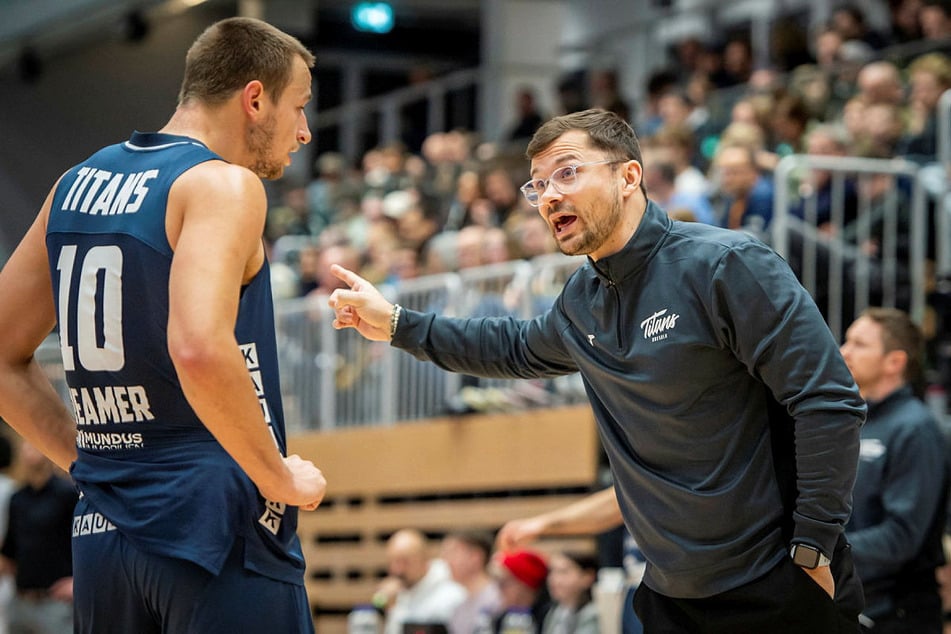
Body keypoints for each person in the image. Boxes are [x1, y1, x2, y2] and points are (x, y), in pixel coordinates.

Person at [328, 108, 867, 632]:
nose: (549, 195)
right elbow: (512, 346)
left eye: (567, 172)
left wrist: (814, 544)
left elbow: (828, 399)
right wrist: (397, 323)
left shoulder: (725, 264)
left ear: (629, 176)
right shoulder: (581, 299)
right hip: (671, 598)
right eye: (537, 186)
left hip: (774, 584)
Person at [0, 17, 327, 634]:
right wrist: (277, 477)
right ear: (254, 99)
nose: (304, 131)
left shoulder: (74, 186)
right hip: (214, 519)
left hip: (103, 530)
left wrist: (92, 466)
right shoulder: (222, 185)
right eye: (299, 107)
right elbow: (199, 349)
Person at [839, 308, 949, 633]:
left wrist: (821, 549)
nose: (844, 351)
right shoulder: (853, 421)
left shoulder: (916, 428)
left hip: (898, 613)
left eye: (859, 344)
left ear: (894, 362)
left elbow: (902, 537)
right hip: (853, 600)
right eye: (847, 341)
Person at [0, 441, 77, 634]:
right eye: (24, 446)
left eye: (33, 445)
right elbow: (10, 550)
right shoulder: (17, 498)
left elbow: (84, 544)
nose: (28, 450)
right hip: (21, 600)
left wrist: (77, 581)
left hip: (55, 603)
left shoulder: (67, 494)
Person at [374, 528, 466, 634]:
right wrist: (388, 607)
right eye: (392, 562)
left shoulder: (452, 593)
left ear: (424, 559)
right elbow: (377, 601)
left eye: (404, 562)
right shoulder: (401, 592)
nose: (397, 570)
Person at [441, 530, 502, 634]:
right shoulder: (459, 608)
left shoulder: (500, 599)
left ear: (475, 557)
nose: (446, 560)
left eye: (453, 553)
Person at [491, 549, 550, 633]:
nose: (499, 590)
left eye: (503, 584)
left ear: (524, 584)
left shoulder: (548, 618)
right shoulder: (501, 618)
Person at [541, 551, 600, 634]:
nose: (554, 579)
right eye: (551, 572)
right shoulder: (556, 611)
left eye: (563, 572)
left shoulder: (593, 614)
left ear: (588, 576)